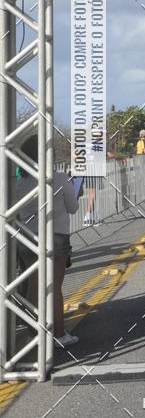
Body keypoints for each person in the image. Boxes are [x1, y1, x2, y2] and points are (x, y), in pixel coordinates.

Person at [17, 135, 79, 348]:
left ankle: (33, 335)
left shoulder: (20, 183)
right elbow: (73, 208)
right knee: (53, 288)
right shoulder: (59, 179)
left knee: (33, 287)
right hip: (56, 237)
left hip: (28, 238)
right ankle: (59, 334)